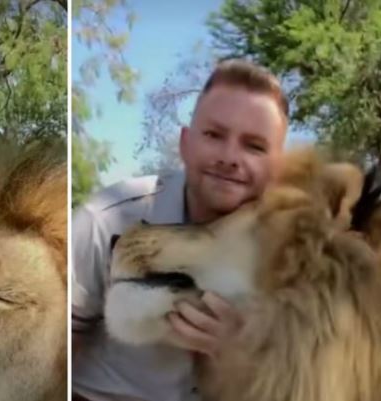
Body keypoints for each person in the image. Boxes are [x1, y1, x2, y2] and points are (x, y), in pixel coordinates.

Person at [72, 59, 289, 401]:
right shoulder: (107, 218)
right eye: (214, 135)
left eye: (254, 146)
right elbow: (51, 352)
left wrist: (245, 357)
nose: (230, 157)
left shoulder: (294, 258)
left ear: (279, 167)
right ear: (185, 143)